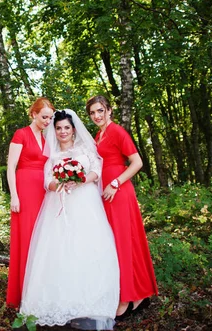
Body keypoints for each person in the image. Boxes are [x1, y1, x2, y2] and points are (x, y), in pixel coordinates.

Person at [20, 109, 119, 330]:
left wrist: (81, 180)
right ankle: (59, 301)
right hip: (59, 204)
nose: (63, 131)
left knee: (86, 247)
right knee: (59, 250)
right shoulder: (53, 154)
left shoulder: (85, 148)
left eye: (66, 127)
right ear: (54, 131)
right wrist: (60, 184)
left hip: (85, 201)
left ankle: (89, 301)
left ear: (73, 129)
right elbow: (47, 180)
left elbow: (97, 169)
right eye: (59, 128)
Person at [86, 95, 158, 321]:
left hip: (119, 192)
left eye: (100, 111)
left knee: (124, 242)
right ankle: (138, 294)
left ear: (109, 110)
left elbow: (137, 162)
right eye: (92, 113)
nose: (97, 116)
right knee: (119, 243)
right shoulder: (100, 134)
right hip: (106, 194)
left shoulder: (117, 131)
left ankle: (126, 299)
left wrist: (116, 183)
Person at [6, 97, 56, 309]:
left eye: (50, 118)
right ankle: (23, 295)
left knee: (42, 240)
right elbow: (11, 167)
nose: (47, 121)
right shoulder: (21, 134)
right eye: (44, 116)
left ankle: (40, 291)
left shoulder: (46, 139)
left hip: (43, 192)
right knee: (27, 239)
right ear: (33, 114)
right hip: (25, 190)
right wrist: (14, 195)